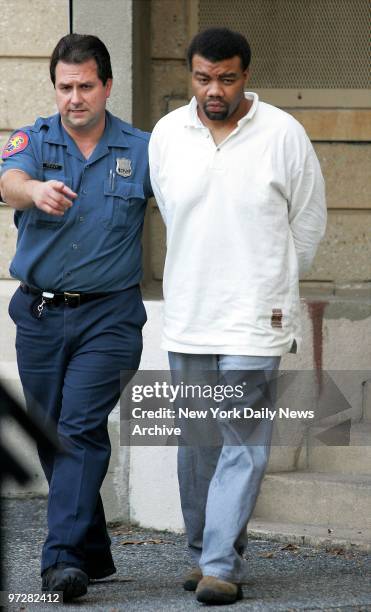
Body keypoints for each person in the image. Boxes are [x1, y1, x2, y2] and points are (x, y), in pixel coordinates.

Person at [149, 27, 326, 605]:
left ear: (245, 75)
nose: (213, 90)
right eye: (202, 79)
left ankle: (221, 564)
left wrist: (268, 280)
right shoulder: (167, 135)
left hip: (257, 315)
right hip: (191, 310)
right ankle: (202, 553)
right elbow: (173, 213)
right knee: (198, 439)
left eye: (225, 78)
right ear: (190, 76)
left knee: (242, 437)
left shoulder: (283, 133)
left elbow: (308, 223)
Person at [0, 33, 151, 601]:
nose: (75, 98)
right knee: (50, 432)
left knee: (80, 428)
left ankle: (61, 562)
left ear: (107, 86)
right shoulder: (35, 140)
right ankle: (91, 545)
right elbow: (7, 180)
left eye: (86, 86)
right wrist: (34, 190)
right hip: (39, 314)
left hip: (109, 317)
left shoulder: (141, 150)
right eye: (65, 87)